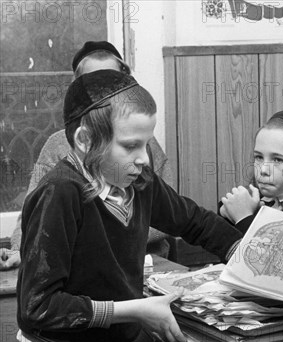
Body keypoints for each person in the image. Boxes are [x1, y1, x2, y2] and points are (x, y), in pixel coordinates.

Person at [12, 70, 243, 342]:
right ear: (85, 141)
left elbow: (195, 222)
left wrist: (250, 253)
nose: (143, 158)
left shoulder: (138, 182)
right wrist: (135, 310)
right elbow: (38, 307)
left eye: (147, 144)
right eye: (130, 145)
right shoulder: (61, 192)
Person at [0, 40, 174, 270]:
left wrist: (118, 238)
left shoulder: (143, 144)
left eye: (111, 81)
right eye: (92, 83)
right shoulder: (57, 146)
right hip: (81, 269)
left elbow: (168, 214)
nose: (103, 91)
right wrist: (21, 250)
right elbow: (33, 214)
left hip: (146, 264)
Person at [220, 109, 283, 232]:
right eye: (259, 157)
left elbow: (277, 249)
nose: (263, 170)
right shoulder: (256, 194)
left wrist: (244, 218)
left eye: (278, 160)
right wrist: (226, 213)